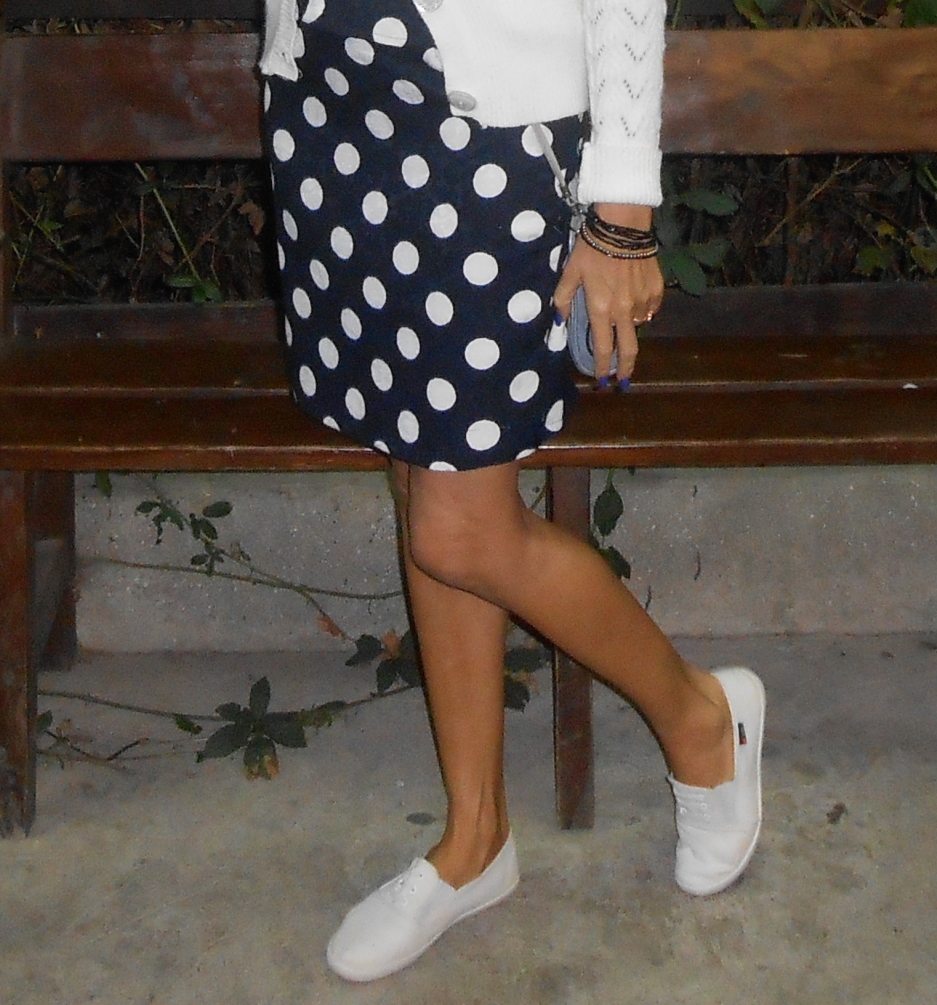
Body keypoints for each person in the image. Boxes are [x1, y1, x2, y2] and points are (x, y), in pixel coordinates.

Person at [257, 0, 766, 981]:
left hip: (485, 138)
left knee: (458, 532)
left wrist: (622, 211)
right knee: (424, 477)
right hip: (329, 113)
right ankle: (476, 839)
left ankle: (702, 718)